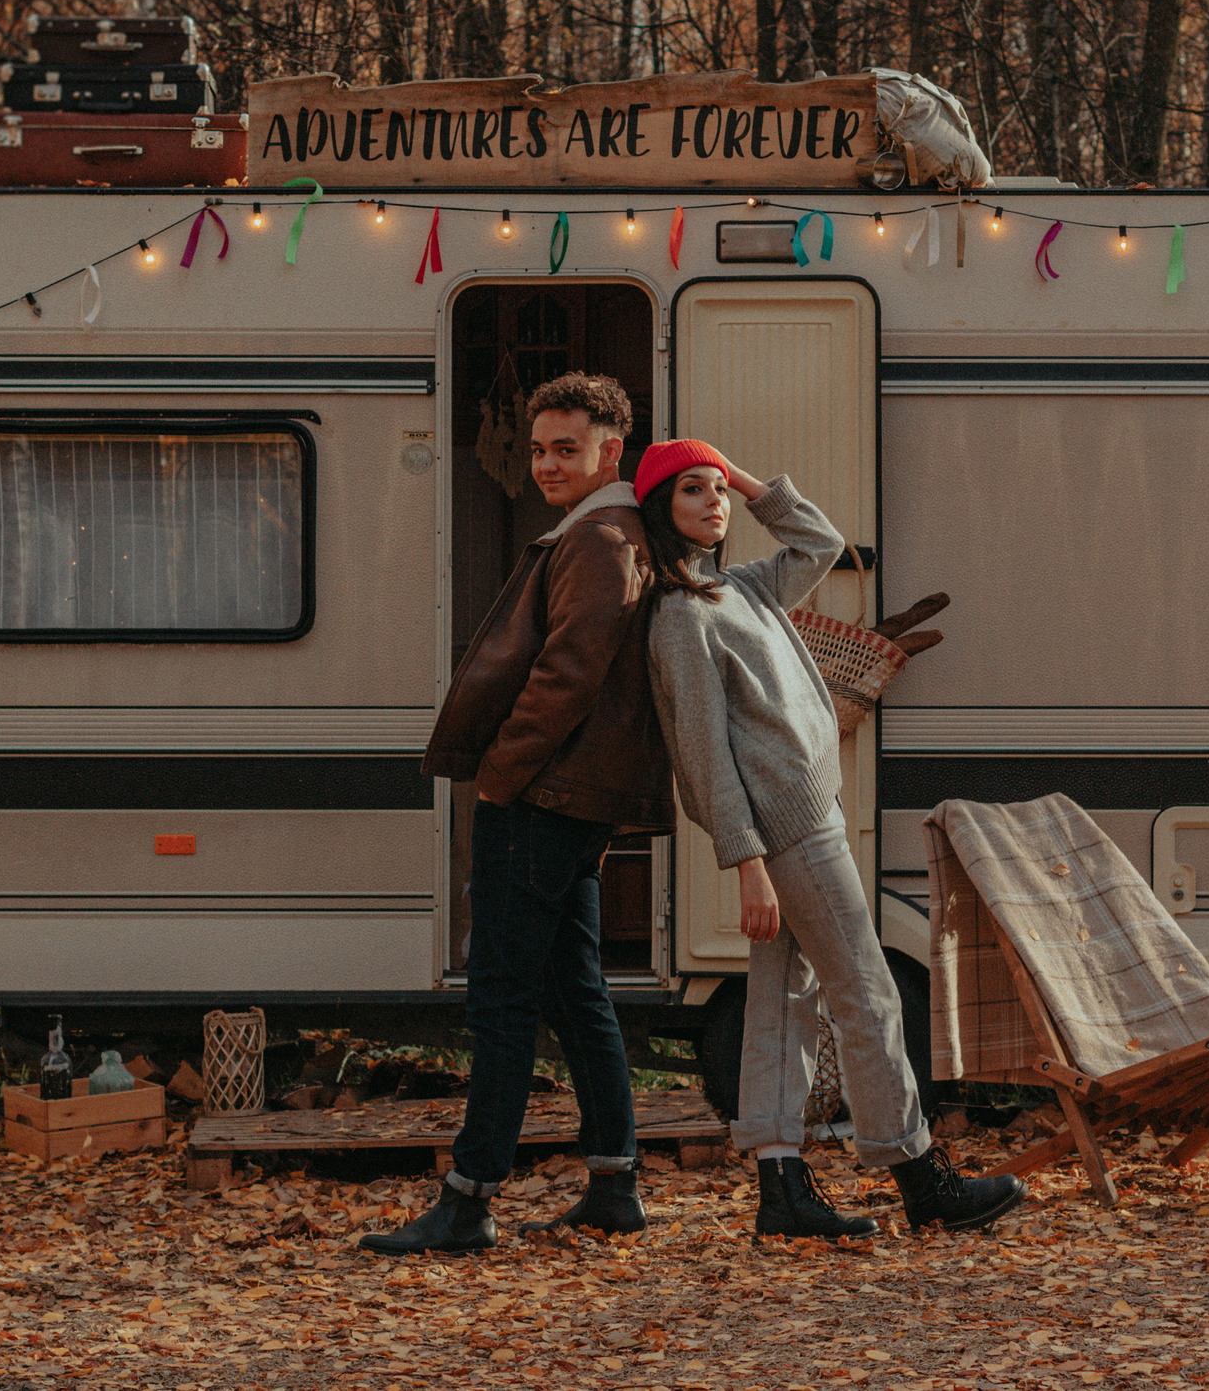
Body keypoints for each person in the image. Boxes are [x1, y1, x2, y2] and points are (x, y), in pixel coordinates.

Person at [638, 439, 1027, 1238]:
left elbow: (819, 543)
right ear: (657, 512)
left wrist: (749, 484)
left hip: (803, 820)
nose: (714, 502)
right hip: (787, 836)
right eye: (692, 492)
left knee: (785, 1001)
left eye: (717, 490)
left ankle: (781, 1189)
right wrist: (746, 861)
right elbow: (704, 753)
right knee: (869, 992)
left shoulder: (740, 586)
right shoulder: (682, 616)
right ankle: (920, 1176)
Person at [360, 372, 672, 1256]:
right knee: (577, 993)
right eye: (538, 448)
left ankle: (468, 1198)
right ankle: (614, 1181)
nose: (544, 464)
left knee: (500, 998)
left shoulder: (602, 537)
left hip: (540, 801)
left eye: (564, 448)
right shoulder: (604, 530)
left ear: (611, 451)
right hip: (567, 802)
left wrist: (499, 775)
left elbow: (569, 672)